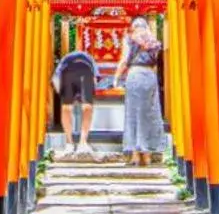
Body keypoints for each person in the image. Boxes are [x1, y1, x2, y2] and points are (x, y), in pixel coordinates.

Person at [109, 18, 165, 167]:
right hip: (150, 76)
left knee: (133, 113)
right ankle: (147, 154)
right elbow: (154, 64)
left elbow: (124, 60)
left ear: (133, 27)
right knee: (149, 113)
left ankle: (134, 154)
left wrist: (116, 79)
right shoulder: (153, 42)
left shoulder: (130, 39)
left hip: (135, 74)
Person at [51, 48, 100, 157]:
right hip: (74, 72)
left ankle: (77, 142)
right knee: (80, 107)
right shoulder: (85, 58)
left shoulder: (85, 58)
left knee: (75, 107)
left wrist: (60, 91)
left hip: (79, 72)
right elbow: (95, 79)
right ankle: (74, 142)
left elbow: (56, 78)